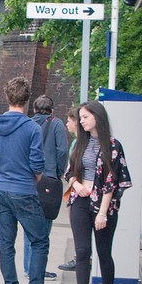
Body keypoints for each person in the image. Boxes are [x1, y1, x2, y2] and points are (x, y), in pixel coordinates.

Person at [0, 77, 62, 284]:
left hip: (1, 192)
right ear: (28, 101)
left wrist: (2, 171)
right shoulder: (31, 127)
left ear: (7, 98)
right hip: (24, 192)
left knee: (6, 243)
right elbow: (38, 164)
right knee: (39, 240)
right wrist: (34, 178)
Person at [64, 101, 132, 284]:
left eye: (84, 117)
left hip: (104, 204)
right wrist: (76, 184)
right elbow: (69, 172)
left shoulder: (113, 145)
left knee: (104, 251)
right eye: (80, 117)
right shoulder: (80, 144)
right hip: (81, 201)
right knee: (82, 251)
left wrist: (102, 212)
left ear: (97, 117)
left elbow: (112, 180)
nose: (81, 121)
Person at [22, 95, 68, 281]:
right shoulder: (56, 124)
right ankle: (38, 269)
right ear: (52, 110)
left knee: (28, 225)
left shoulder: (27, 124)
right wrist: (58, 171)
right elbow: (63, 150)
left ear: (34, 110)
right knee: (45, 224)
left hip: (28, 180)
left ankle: (28, 267)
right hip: (48, 179)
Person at [58, 107, 80, 272]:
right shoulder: (75, 142)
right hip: (76, 190)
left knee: (78, 227)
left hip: (78, 191)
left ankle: (78, 258)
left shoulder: (78, 143)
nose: (67, 124)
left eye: (69, 121)